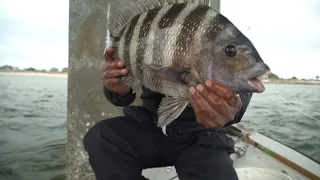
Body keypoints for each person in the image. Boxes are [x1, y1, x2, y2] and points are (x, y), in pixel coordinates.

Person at [83, 46, 252, 180]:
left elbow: (243, 79)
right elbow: (122, 91)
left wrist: (236, 105)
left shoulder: (215, 34)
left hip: (202, 134)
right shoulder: (149, 33)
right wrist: (117, 89)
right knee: (101, 138)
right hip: (151, 125)